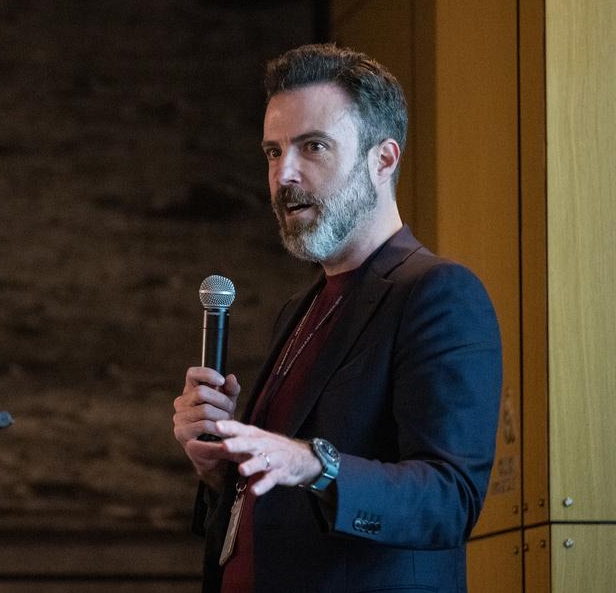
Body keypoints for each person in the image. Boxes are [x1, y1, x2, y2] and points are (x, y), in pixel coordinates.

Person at [172, 44, 501, 593]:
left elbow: (450, 499)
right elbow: (275, 509)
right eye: (273, 152)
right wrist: (220, 466)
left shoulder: (438, 294)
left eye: (313, 146)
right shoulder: (297, 312)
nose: (285, 175)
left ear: (384, 159)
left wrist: (314, 462)